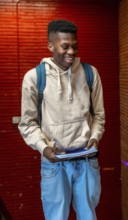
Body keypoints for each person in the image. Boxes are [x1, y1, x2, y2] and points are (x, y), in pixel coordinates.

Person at [18, 19, 105, 220]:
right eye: (64, 46)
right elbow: (27, 123)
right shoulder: (34, 77)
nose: (71, 52)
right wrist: (43, 148)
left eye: (74, 46)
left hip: (86, 160)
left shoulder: (91, 73)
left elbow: (99, 115)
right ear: (50, 46)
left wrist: (95, 136)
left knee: (88, 216)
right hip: (54, 164)